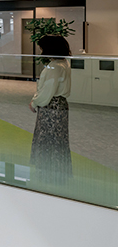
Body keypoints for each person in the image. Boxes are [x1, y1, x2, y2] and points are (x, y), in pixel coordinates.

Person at [29, 35, 73, 185]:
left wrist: (35, 102)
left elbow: (47, 90)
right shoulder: (64, 63)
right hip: (60, 105)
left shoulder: (55, 67)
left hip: (51, 106)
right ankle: (57, 173)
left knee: (47, 139)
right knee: (58, 139)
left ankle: (47, 174)